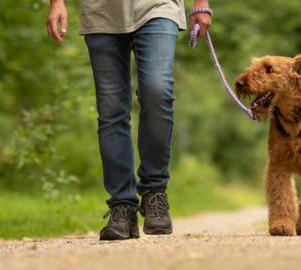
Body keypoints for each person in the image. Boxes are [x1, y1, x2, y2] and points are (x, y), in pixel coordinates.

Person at [46, 0, 211, 240]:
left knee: (157, 90)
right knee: (111, 111)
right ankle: (122, 206)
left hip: (158, 6)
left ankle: (155, 190)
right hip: (101, 11)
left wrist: (201, 2)